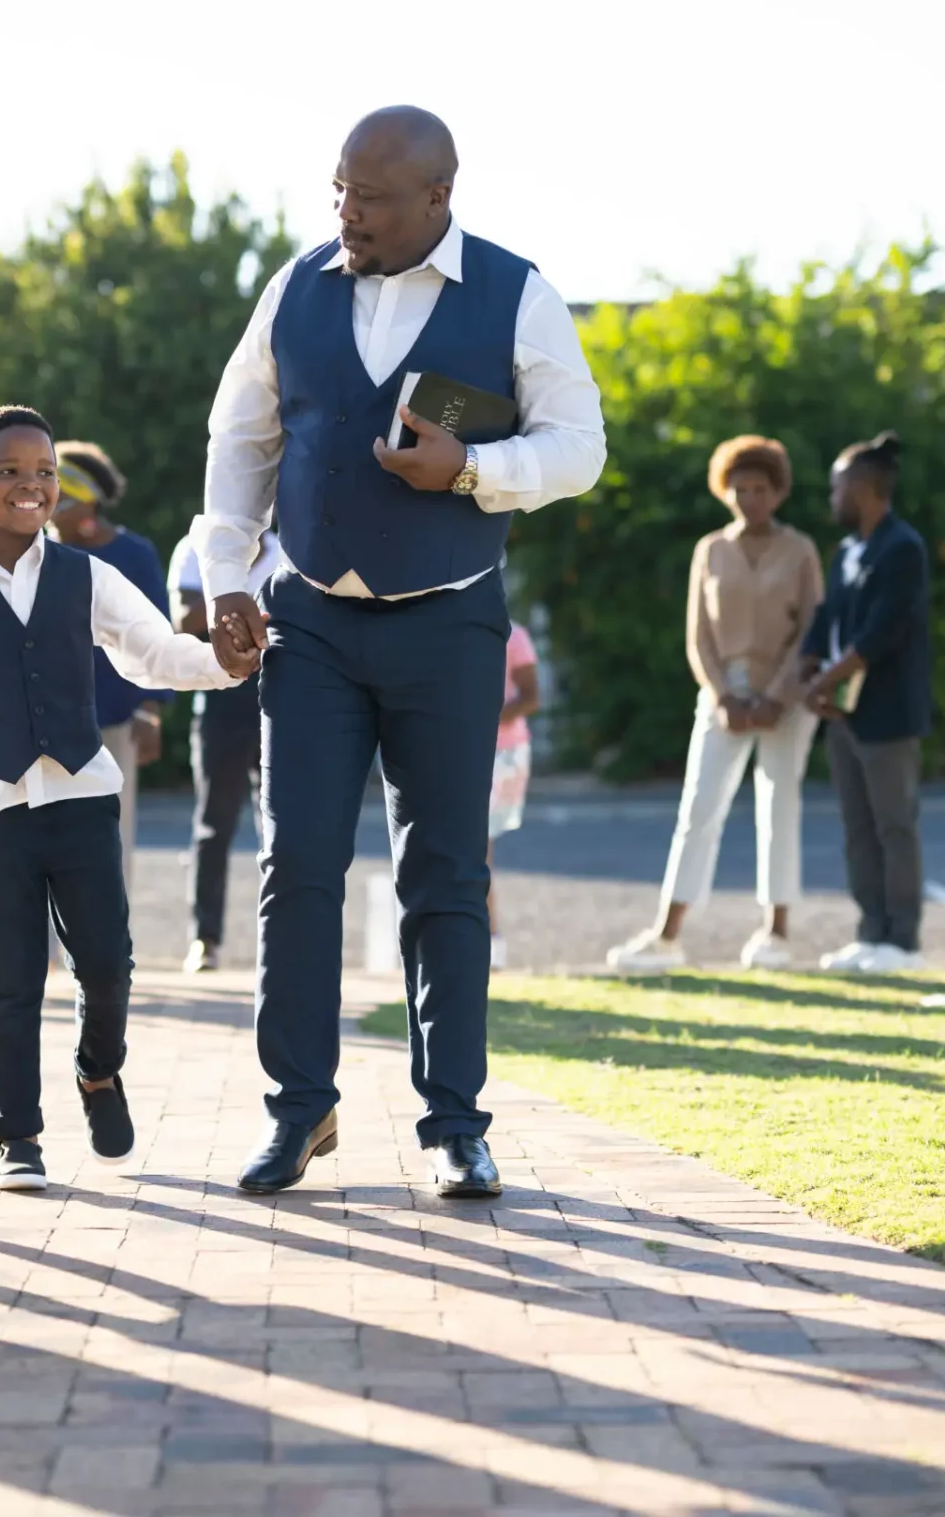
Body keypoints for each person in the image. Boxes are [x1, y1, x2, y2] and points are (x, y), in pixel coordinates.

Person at [198, 106, 605, 1197]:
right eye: (338, 188)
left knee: (447, 876)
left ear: (438, 197)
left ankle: (455, 1124)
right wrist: (227, 578)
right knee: (298, 866)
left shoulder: (519, 294)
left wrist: (472, 467)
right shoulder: (294, 289)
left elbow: (579, 447)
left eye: (370, 197)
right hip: (313, 623)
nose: (346, 212)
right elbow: (241, 437)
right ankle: (299, 1109)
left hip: (449, 620)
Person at [0, 406, 249, 1192]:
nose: (31, 485)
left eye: (45, 473)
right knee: (13, 979)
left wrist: (224, 666)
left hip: (84, 797)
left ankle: (99, 1073)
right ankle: (16, 1136)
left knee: (108, 965)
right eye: (10, 473)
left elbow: (154, 652)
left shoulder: (89, 576)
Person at [606, 436, 825, 973]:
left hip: (786, 699)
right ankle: (666, 936)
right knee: (698, 809)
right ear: (724, 490)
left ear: (778, 492)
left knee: (779, 807)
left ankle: (776, 933)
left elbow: (814, 631)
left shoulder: (800, 551)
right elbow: (697, 636)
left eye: (759, 489)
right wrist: (724, 695)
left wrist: (775, 697)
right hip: (722, 696)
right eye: (738, 488)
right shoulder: (711, 550)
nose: (748, 498)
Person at [801, 432, 932, 974]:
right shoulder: (848, 549)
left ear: (861, 487)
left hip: (887, 713)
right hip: (842, 713)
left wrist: (824, 682)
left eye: (837, 485)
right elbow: (829, 616)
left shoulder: (903, 547)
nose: (831, 495)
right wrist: (810, 668)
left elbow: (882, 632)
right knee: (857, 828)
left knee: (894, 826)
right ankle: (870, 933)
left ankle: (902, 943)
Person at [47, 441, 171, 888]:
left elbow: (158, 633)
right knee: (47, 837)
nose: (46, 510)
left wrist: (151, 709)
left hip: (117, 719)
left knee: (112, 836)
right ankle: (49, 955)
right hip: (49, 721)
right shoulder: (35, 554)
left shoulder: (135, 555)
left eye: (59, 500)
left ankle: (110, 951)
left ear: (88, 505)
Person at [168, 524, 282, 973]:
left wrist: (234, 610)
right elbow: (185, 619)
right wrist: (243, 592)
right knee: (214, 824)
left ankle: (279, 942)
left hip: (282, 690)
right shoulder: (197, 546)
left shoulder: (290, 546)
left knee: (280, 824)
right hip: (221, 694)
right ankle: (205, 939)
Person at [488, 621, 541, 970]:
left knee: (475, 847)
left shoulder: (514, 635)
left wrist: (479, 719)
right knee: (473, 847)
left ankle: (491, 939)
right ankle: (489, 937)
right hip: (467, 751)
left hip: (502, 755)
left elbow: (531, 697)